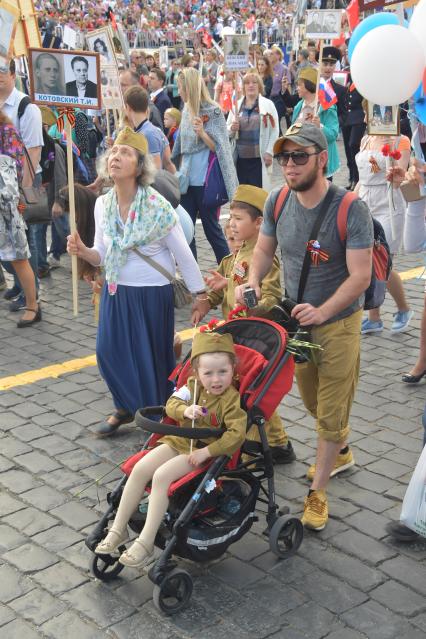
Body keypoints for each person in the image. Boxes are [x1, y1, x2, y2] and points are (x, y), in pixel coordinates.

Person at [236, 123, 374, 531]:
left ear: (322, 159)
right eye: (284, 157)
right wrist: (254, 279)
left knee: (329, 411)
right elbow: (264, 248)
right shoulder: (278, 201)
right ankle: (341, 448)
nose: (289, 165)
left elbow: (360, 276)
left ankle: (317, 493)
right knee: (314, 403)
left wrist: (324, 309)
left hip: (337, 324)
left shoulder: (351, 208)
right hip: (296, 325)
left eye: (299, 156)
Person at [67, 127, 206, 436]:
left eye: (125, 153)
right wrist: (82, 251)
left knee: (151, 358)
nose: (116, 156)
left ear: (140, 166)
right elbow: (101, 255)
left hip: (152, 294)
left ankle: (156, 413)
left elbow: (183, 254)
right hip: (116, 291)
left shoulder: (158, 207)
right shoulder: (102, 203)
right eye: (114, 152)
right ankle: (125, 405)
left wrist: (200, 293)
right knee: (107, 352)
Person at [94, 330, 247, 566]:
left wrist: (207, 452)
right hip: (179, 440)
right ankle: (118, 528)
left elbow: (237, 434)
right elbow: (172, 403)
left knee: (161, 476)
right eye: (209, 373)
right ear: (197, 372)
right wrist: (184, 411)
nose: (216, 380)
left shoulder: (231, 399)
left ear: (233, 370)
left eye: (223, 372)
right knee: (140, 468)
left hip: (202, 451)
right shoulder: (192, 386)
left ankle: (145, 541)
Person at [192, 184, 295, 463]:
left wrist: (250, 301)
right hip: (235, 333)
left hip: (254, 335)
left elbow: (271, 299)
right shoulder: (236, 254)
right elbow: (224, 282)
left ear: (259, 222)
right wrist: (207, 300)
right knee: (252, 390)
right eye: (230, 218)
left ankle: (259, 448)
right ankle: (277, 442)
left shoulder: (262, 260)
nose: (231, 225)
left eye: (238, 219)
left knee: (251, 391)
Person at [171, 67, 238, 263]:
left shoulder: (213, 110)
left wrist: (201, 133)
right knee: (186, 229)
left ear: (189, 87)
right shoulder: (185, 110)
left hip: (205, 181)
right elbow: (182, 147)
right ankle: (193, 279)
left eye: (181, 87)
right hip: (186, 180)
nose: (179, 91)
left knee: (211, 229)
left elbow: (219, 147)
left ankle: (227, 269)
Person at [355, 118, 412, 335]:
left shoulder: (401, 140)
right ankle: (374, 317)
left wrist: (392, 161)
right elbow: (362, 178)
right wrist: (350, 199)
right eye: (369, 111)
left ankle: (403, 309)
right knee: (367, 260)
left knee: (383, 261)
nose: (373, 117)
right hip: (365, 200)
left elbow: (401, 177)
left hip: (389, 202)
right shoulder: (365, 139)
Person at [0, 58, 43, 312]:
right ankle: (19, 283)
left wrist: (23, 194)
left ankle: (31, 294)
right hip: (3, 185)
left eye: (3, 71)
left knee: (27, 239)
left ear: (14, 74)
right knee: (9, 244)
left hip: (24, 181)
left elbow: (33, 152)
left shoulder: (27, 107)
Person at [0, 112, 40, 327]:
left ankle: (33, 305)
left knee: (18, 257)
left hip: (7, 207)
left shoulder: (7, 131)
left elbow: (15, 169)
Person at [227, 72, 279, 191]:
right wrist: (232, 128)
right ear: (243, 86)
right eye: (247, 83)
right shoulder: (236, 105)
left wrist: (270, 152)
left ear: (259, 86)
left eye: (254, 82)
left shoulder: (268, 105)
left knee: (258, 194)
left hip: (259, 160)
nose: (251, 85)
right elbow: (227, 130)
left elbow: (275, 130)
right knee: (243, 195)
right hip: (240, 160)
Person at [289, 66, 340, 180]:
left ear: (308, 86)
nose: (296, 88)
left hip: (320, 163)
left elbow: (333, 134)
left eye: (299, 85)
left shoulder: (327, 108)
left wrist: (320, 126)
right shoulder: (299, 106)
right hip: (302, 162)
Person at [123, 85, 175, 173]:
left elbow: (155, 171)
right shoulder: (155, 131)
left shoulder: (147, 134)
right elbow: (168, 164)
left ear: (128, 108)